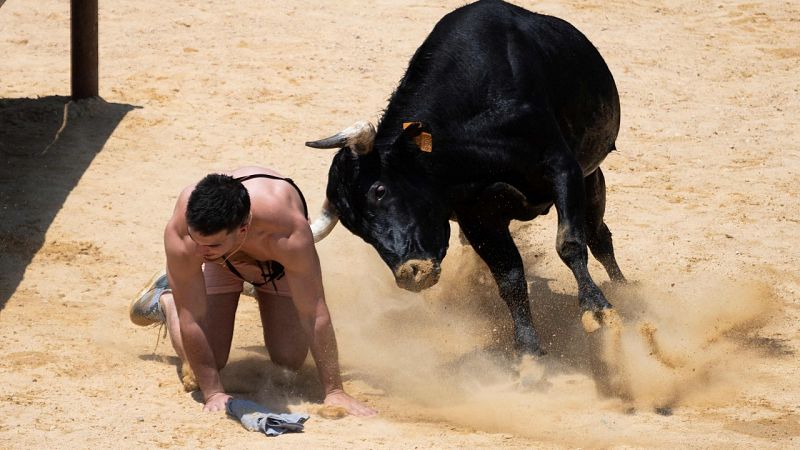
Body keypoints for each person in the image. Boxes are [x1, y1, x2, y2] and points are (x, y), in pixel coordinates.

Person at [130, 166, 376, 416]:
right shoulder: (184, 232)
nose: (201, 251)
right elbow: (192, 317)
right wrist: (214, 392)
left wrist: (334, 391)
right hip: (223, 263)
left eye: (212, 243)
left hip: (275, 262)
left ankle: (256, 285)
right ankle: (167, 297)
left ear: (242, 230)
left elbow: (314, 311)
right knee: (208, 362)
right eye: (197, 240)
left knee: (289, 359)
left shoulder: (286, 230)